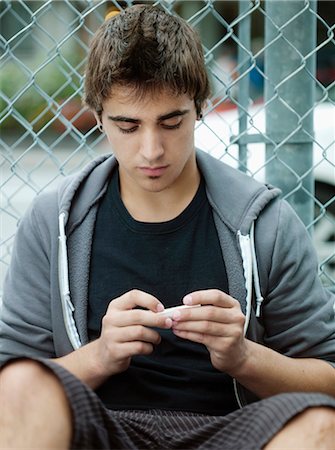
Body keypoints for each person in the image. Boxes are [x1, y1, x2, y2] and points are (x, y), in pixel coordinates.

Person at [0, 4, 334, 449]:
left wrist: (242, 356)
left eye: (171, 122)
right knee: (22, 387)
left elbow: (327, 380)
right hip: (101, 425)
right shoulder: (54, 220)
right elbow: (11, 387)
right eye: (128, 125)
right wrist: (99, 357)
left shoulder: (264, 221)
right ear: (97, 116)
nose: (152, 149)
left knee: (321, 427)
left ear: (200, 108)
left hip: (229, 429)